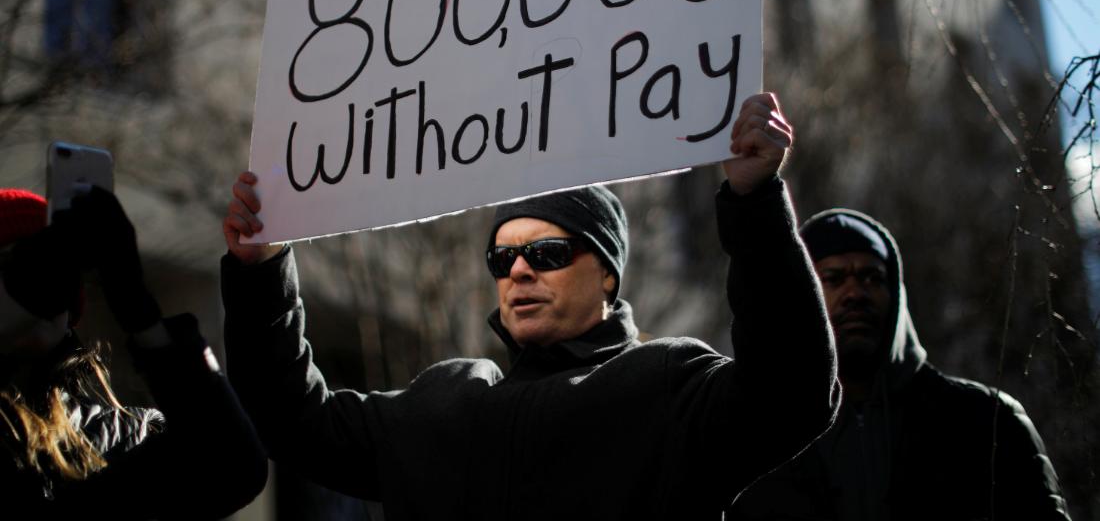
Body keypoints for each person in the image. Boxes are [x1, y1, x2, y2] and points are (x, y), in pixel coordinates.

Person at [220, 92, 839, 519]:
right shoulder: (443, 404)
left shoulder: (667, 385)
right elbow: (291, 423)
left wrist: (754, 201)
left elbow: (791, 392)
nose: (517, 269)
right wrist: (263, 268)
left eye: (546, 252)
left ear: (606, 275)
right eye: (501, 257)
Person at [728, 207, 1071, 521]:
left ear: (895, 295)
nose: (855, 293)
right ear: (802, 296)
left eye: (871, 277)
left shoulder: (986, 420)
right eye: (832, 278)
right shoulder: (760, 438)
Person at [0, 185, 268, 519]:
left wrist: (139, 310)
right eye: (15, 265)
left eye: (54, 267)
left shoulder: (124, 437)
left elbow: (232, 470)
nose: (37, 281)